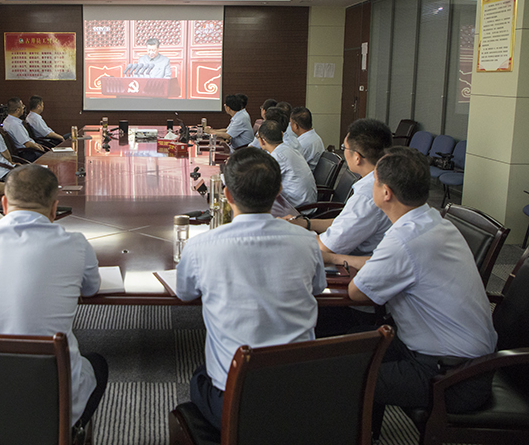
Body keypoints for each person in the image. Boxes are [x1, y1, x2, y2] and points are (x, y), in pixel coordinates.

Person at [324, 147, 497, 415]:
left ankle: (357, 432)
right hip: (455, 357)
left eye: (374, 181)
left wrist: (336, 259)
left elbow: (357, 292)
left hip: (453, 377)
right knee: (351, 342)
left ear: (386, 192)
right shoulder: (430, 220)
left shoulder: (404, 239)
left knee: (332, 375)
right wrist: (336, 258)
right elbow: (387, 264)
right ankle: (367, 431)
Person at [176, 147, 326, 431]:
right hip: (301, 392)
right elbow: (318, 288)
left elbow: (185, 293)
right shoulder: (307, 241)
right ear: (279, 191)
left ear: (228, 195)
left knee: (199, 376)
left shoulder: (201, 246)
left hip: (236, 399)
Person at [0, 164, 108, 431]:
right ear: (54, 209)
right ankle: (69, 431)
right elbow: (91, 289)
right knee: (98, 364)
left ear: (5, 204)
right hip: (48, 395)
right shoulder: (76, 244)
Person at [284, 118, 393, 336]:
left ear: (357, 157)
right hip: (360, 269)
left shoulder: (368, 194)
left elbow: (325, 248)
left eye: (345, 148)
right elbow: (344, 222)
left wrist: (285, 233)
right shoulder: (379, 181)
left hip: (360, 293)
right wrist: (305, 223)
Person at [256, 120, 317, 207]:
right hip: (307, 202)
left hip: (298, 208)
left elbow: (262, 183)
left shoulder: (277, 156)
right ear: (282, 135)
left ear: (262, 141)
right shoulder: (289, 149)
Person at [2, 97, 47, 161]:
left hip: (26, 150)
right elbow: (27, 144)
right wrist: (40, 149)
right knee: (48, 156)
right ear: (17, 110)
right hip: (26, 153)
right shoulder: (14, 124)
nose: (23, 107)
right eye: (22, 106)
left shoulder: (7, 121)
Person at [290, 107, 325, 171]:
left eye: (290, 123)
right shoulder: (315, 137)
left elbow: (291, 165)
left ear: (296, 126)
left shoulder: (301, 144)